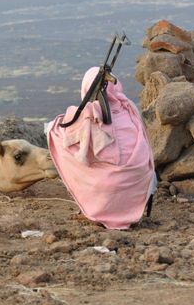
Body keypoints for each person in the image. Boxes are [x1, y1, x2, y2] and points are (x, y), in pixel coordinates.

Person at [46, 67, 156, 229]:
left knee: (57, 137)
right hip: (136, 182)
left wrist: (52, 127)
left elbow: (62, 131)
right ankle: (124, 210)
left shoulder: (87, 116)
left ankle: (99, 209)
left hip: (109, 188)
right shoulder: (128, 109)